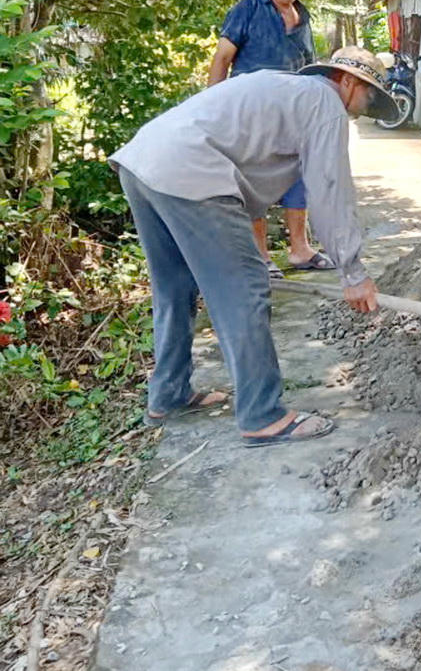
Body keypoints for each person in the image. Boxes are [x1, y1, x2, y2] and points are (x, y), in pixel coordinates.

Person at [110, 47, 400, 447]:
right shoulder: (324, 104)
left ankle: (169, 395)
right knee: (245, 289)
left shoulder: (287, 91)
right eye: (368, 96)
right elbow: (330, 192)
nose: (363, 110)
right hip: (191, 172)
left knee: (175, 288)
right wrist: (353, 273)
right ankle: (263, 416)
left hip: (143, 162)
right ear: (347, 81)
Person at [208, 0, 331, 276]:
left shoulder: (302, 17)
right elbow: (221, 59)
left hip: (292, 117)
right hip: (250, 116)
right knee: (254, 184)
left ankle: (300, 250)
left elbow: (309, 69)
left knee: (298, 177)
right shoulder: (247, 9)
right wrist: (215, 108)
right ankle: (261, 257)